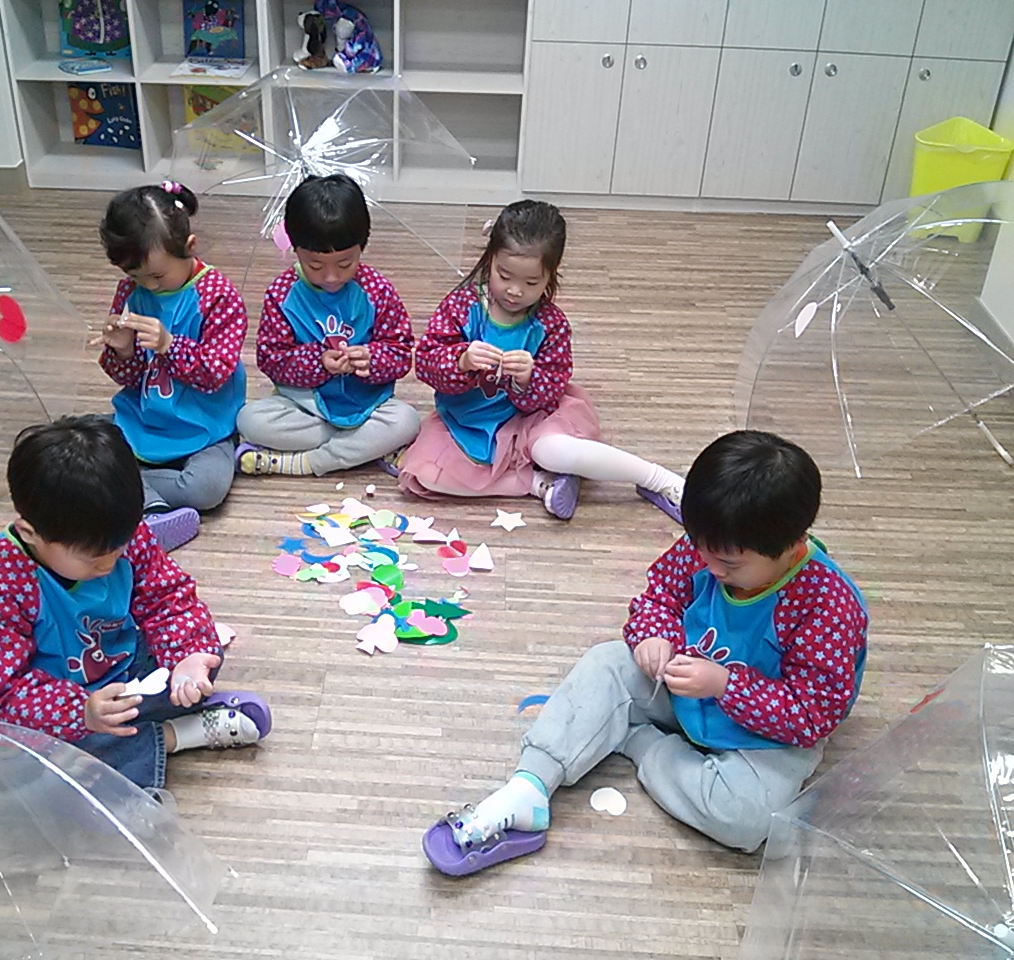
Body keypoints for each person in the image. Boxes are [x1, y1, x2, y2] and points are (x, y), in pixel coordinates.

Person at [422, 430, 868, 875]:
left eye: (729, 566)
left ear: (790, 546)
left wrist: (724, 685)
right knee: (607, 663)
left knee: (745, 818)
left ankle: (638, 741)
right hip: (682, 684)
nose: (711, 568)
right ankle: (529, 787)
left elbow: (813, 713)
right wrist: (654, 637)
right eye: (702, 550)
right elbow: (659, 597)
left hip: (764, 736)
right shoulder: (713, 544)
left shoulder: (828, 606)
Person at [0, 416, 271, 794]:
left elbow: (167, 598)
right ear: (30, 533)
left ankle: (133, 742)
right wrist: (82, 712)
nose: (109, 565)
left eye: (119, 550)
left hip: (117, 666)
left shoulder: (124, 536)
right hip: (44, 699)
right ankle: (176, 736)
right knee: (37, 760)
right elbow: (4, 694)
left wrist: (189, 656)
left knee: (203, 655)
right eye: (92, 560)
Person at [397, 199, 685, 521]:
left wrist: (528, 379)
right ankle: (540, 484)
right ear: (490, 260)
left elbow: (552, 385)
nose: (515, 291)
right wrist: (461, 359)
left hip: (532, 420)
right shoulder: (462, 306)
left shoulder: (550, 323)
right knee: (423, 474)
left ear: (551, 277)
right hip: (466, 423)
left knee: (550, 450)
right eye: (504, 276)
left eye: (531, 283)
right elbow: (425, 363)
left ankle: (658, 479)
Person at [95, 180, 247, 552]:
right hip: (145, 417)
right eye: (135, 277)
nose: (149, 286)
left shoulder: (218, 295)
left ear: (189, 247)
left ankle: (135, 492)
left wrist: (169, 345)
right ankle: (153, 511)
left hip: (206, 424)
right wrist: (123, 351)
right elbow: (132, 380)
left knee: (206, 489)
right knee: (80, 452)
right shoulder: (131, 292)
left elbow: (217, 373)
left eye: (158, 277)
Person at [235, 173, 419, 478]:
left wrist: (371, 359)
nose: (331, 277)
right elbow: (270, 359)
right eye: (315, 265)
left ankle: (303, 463)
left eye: (345, 264)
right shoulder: (282, 294)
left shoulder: (377, 290)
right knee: (250, 420)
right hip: (305, 405)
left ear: (362, 246)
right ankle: (364, 447)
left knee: (407, 421)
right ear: (295, 249)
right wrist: (318, 362)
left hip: (369, 404)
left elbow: (400, 353)